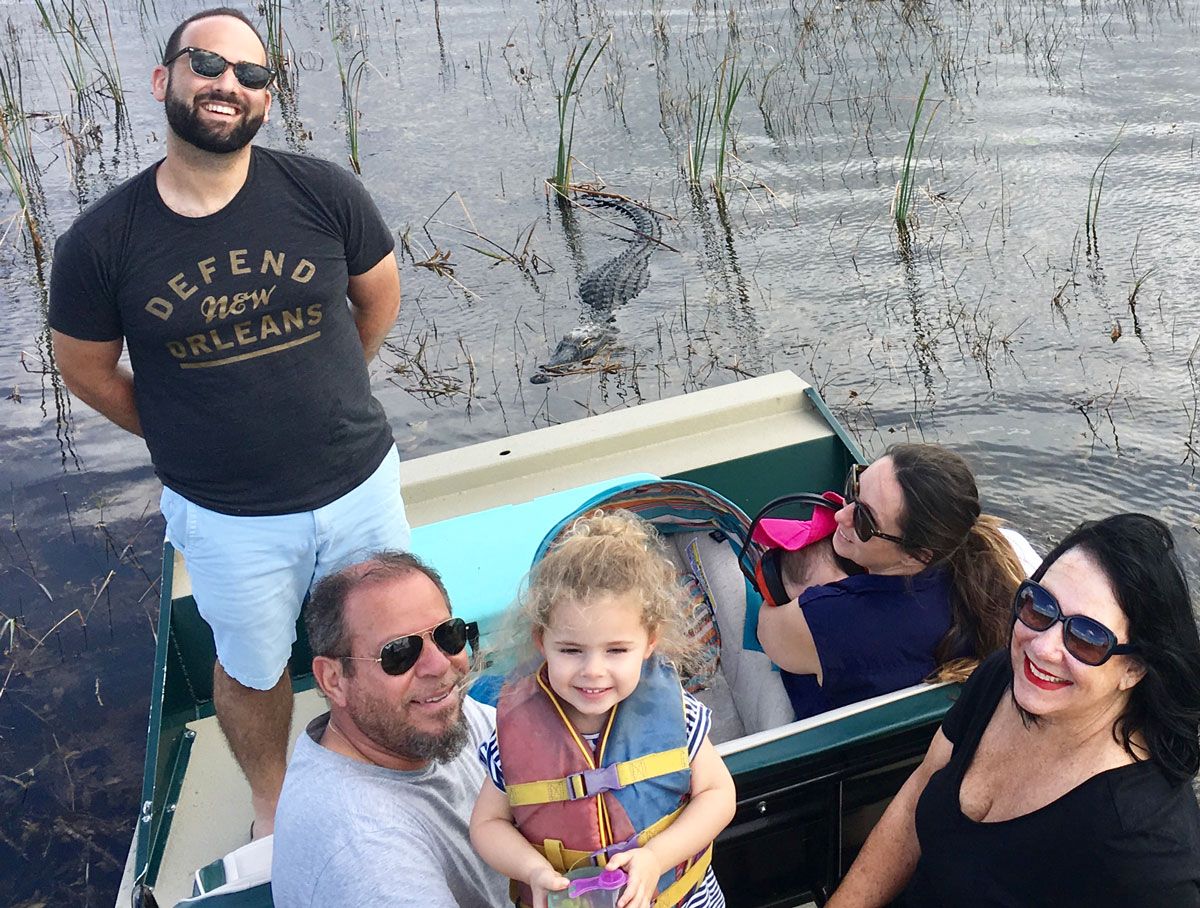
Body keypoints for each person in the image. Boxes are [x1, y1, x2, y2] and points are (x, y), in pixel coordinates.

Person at [47, 8, 409, 837]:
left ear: (267, 101)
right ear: (164, 79)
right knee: (251, 669)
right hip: (227, 514)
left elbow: (377, 296)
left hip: (360, 484)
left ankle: (395, 771)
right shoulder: (101, 243)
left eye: (252, 75)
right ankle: (276, 807)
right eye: (208, 64)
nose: (228, 86)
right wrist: (184, 430)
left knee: (393, 642)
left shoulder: (322, 192)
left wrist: (330, 386)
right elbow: (87, 371)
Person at [826, 513, 1200, 907]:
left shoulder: (1145, 849)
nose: (1041, 648)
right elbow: (918, 794)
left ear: (1134, 668)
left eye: (1087, 637)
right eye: (1040, 606)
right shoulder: (1003, 677)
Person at [470, 510, 736, 908]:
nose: (593, 671)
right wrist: (532, 870)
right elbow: (487, 825)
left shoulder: (681, 714)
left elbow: (719, 794)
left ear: (648, 643)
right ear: (542, 643)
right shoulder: (510, 739)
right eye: (571, 650)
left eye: (616, 650)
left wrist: (656, 857)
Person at [271, 552, 509, 908]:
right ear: (333, 680)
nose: (439, 665)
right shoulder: (370, 860)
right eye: (399, 652)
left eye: (447, 635)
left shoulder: (421, 716)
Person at [757, 444, 1024, 718]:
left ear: (916, 556)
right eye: (854, 490)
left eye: (865, 521)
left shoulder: (830, 619)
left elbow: (766, 629)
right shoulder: (989, 563)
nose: (840, 515)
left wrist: (797, 578)